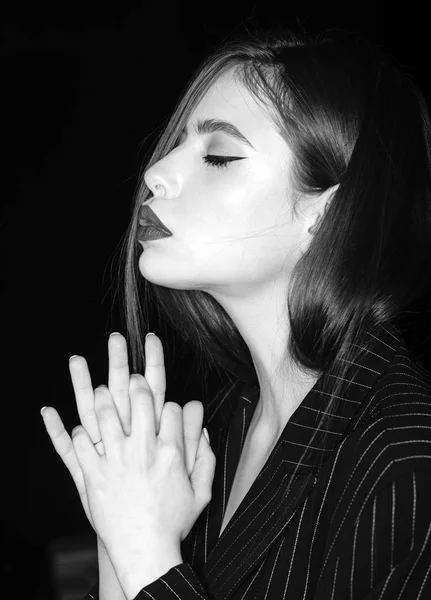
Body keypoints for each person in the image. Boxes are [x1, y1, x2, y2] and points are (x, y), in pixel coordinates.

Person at [41, 25, 431, 599]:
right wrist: (117, 517)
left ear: (326, 213)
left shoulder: (407, 462)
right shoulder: (222, 427)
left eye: (218, 155)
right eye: (177, 144)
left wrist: (145, 547)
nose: (156, 175)